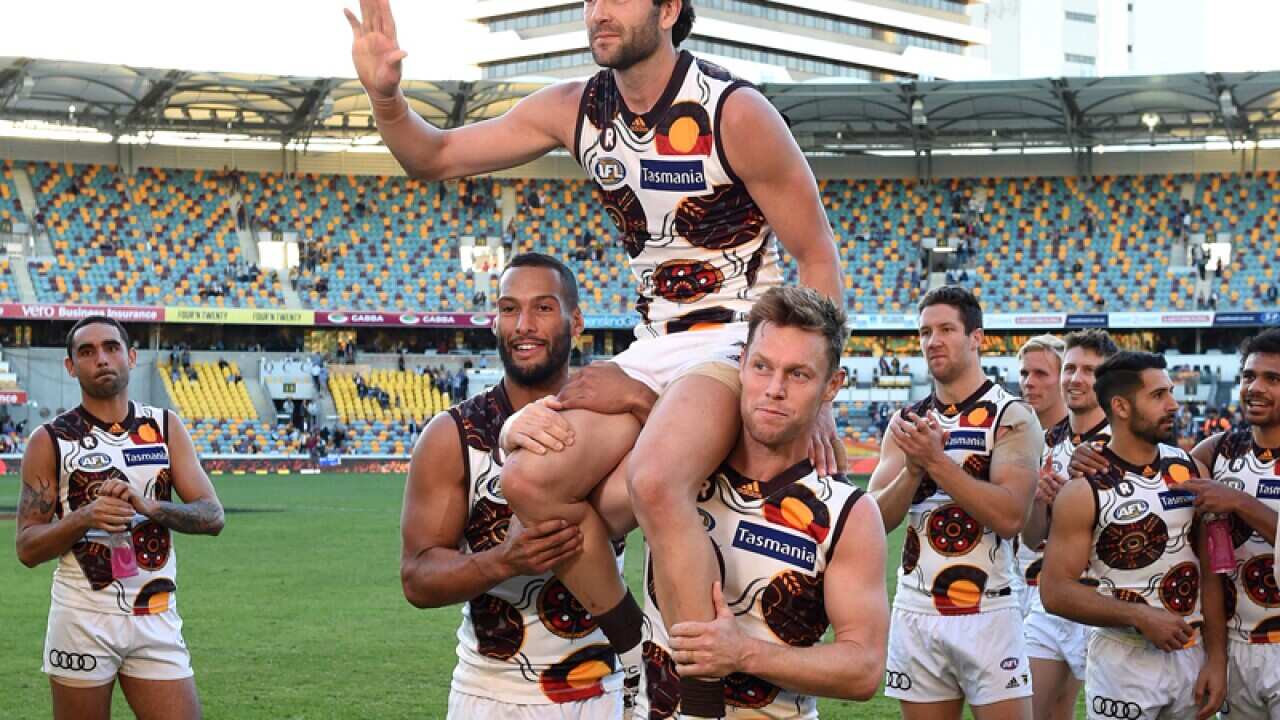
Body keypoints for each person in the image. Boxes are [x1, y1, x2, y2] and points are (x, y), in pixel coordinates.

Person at [346, 1, 844, 714]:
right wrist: (386, 96)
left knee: (655, 479)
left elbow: (817, 253)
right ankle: (636, 651)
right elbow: (435, 156)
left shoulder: (735, 113)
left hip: (738, 337)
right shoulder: (575, 109)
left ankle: (699, 697)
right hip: (652, 345)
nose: (597, 11)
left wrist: (816, 396)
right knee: (527, 483)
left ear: (669, 8)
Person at [504, 287, 888, 716]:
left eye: (798, 374)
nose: (774, 389)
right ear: (740, 364)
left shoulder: (846, 513)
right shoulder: (677, 478)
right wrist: (515, 432)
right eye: (762, 367)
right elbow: (540, 529)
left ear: (832, 386)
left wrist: (743, 653)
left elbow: (864, 668)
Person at [401, 253, 648, 718]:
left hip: (607, 691)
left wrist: (638, 396)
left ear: (576, 322)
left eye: (543, 308)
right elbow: (417, 577)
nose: (524, 325)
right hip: (492, 694)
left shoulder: (611, 417)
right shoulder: (453, 434)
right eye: (509, 309)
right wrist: (504, 560)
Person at [14, 316, 225, 720]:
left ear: (131, 357)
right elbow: (26, 547)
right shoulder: (50, 440)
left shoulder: (164, 427)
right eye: (87, 352)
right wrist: (83, 517)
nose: (102, 359)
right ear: (71, 367)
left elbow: (213, 516)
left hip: (155, 613)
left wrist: (151, 507)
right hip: (81, 619)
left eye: (111, 347)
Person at [869, 286, 1042, 720]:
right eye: (926, 332)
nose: (933, 341)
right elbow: (875, 520)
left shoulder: (1013, 416)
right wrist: (911, 471)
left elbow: (1009, 517)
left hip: (989, 607)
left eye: (947, 329)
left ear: (976, 338)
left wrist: (934, 461)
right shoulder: (906, 423)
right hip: (916, 606)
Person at [1040, 351, 1227, 720]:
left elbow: (1210, 571)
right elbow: (1055, 591)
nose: (1173, 404)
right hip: (1122, 658)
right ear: (1121, 407)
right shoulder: (1083, 490)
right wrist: (1139, 617)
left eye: (1170, 392)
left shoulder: (1191, 468)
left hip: (1190, 654)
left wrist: (1217, 658)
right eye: (1158, 396)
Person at [1019, 330, 1117, 720]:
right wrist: (1039, 501)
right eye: (1071, 367)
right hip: (1048, 605)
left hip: (1102, 606)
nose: (1076, 378)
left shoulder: (1123, 443)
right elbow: (1031, 536)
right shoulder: (1043, 442)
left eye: (1089, 370)